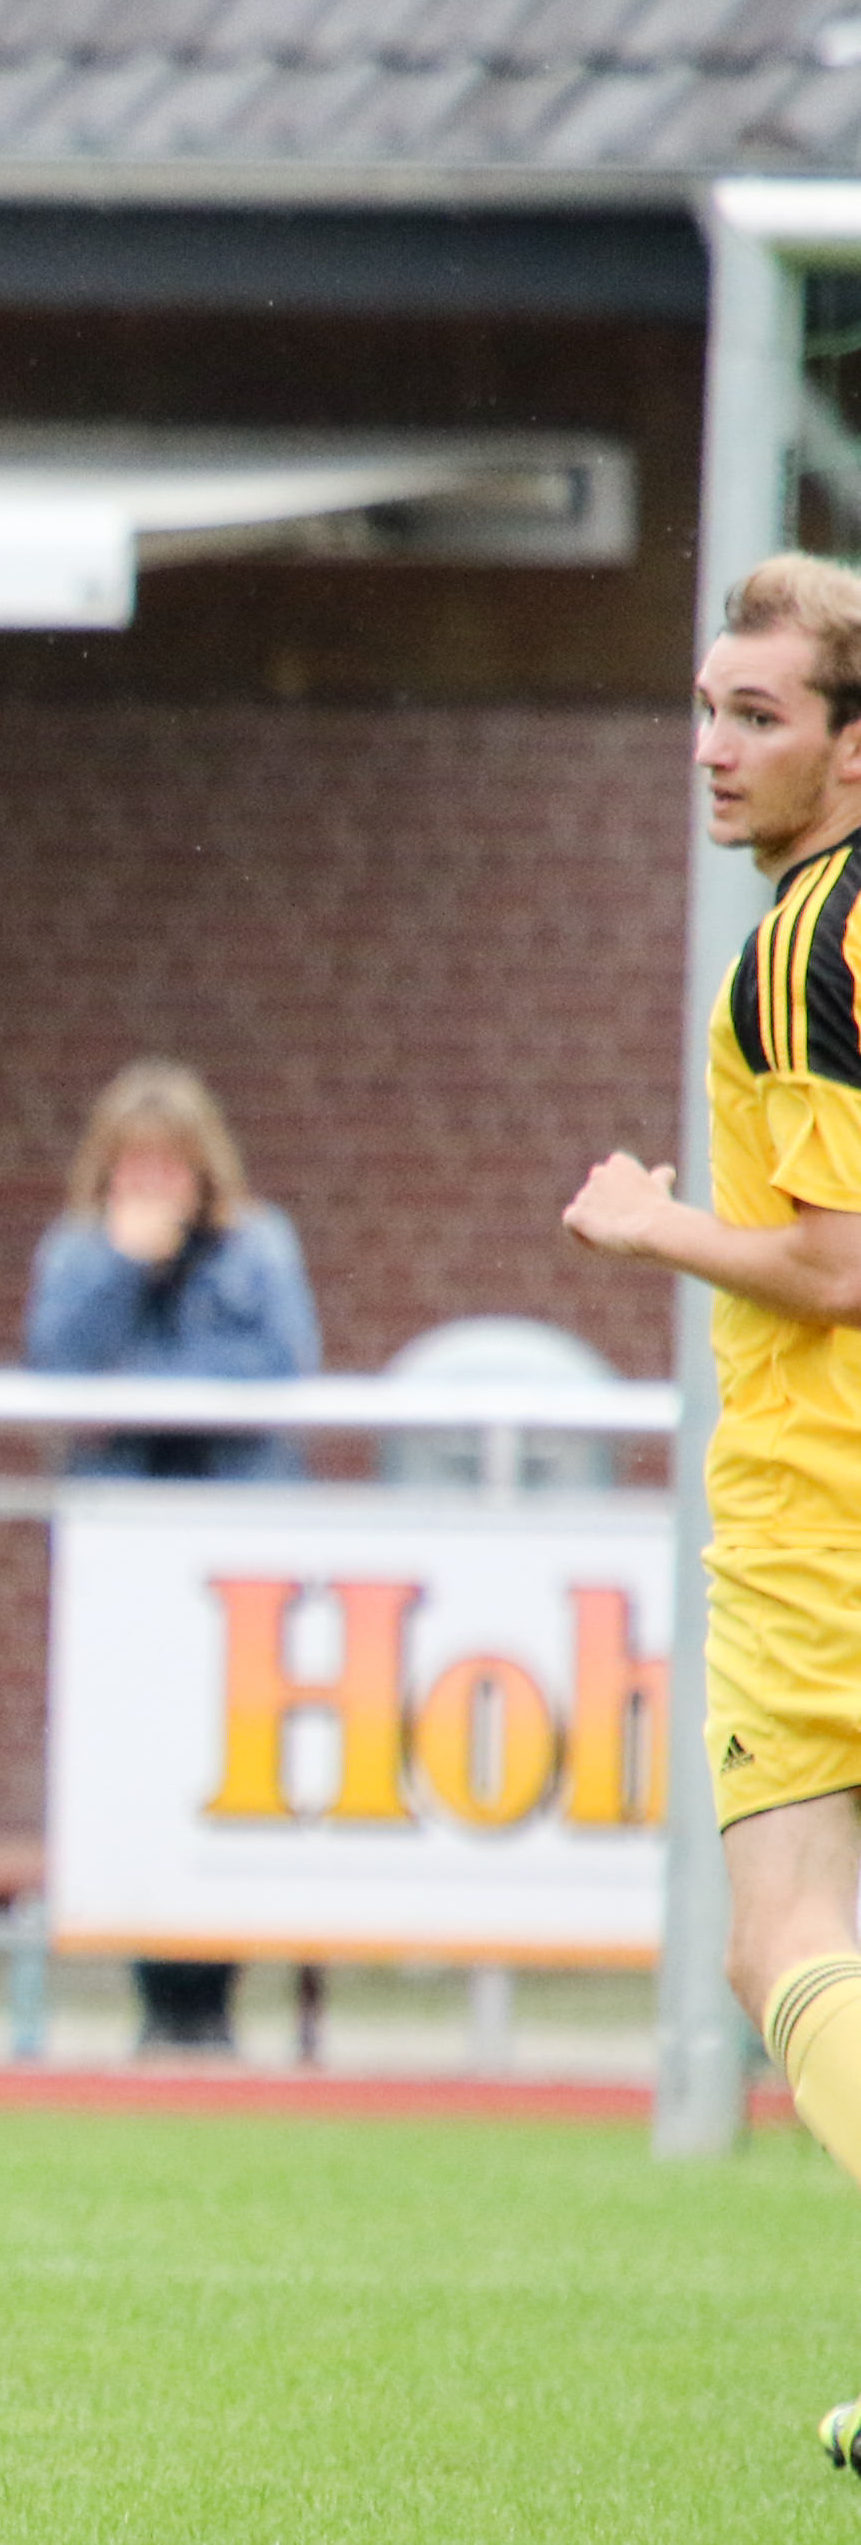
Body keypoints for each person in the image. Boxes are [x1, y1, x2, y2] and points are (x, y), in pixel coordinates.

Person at [564, 548, 861, 2476]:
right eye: (704, 709)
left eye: (759, 715)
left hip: (825, 1510)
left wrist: (651, 1224)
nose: (715, 748)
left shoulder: (807, 943)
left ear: (854, 747)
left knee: (785, 1944)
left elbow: (837, 1265)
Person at [25, 1059, 322, 2056]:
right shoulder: (78, 1254)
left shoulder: (258, 1247)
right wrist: (121, 1267)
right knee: (135, 1759)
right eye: (134, 1166)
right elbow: (58, 1367)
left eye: (169, 1166)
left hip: (236, 1551)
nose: (152, 1185)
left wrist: (143, 1384)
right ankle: (156, 1992)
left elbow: (276, 1366)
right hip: (124, 1548)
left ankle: (215, 1992)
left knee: (229, 1759)